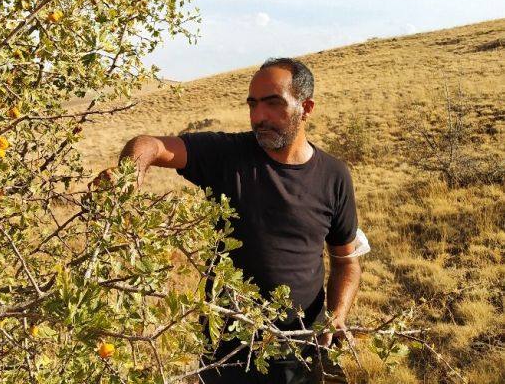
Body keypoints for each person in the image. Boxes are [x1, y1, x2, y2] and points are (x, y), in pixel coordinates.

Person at [117, 58, 362, 383]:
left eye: (273, 104)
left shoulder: (334, 176)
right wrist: (127, 176)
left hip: (301, 350)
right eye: (253, 105)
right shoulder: (227, 155)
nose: (259, 117)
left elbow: (346, 261)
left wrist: (337, 317)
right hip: (226, 349)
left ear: (307, 107)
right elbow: (151, 145)